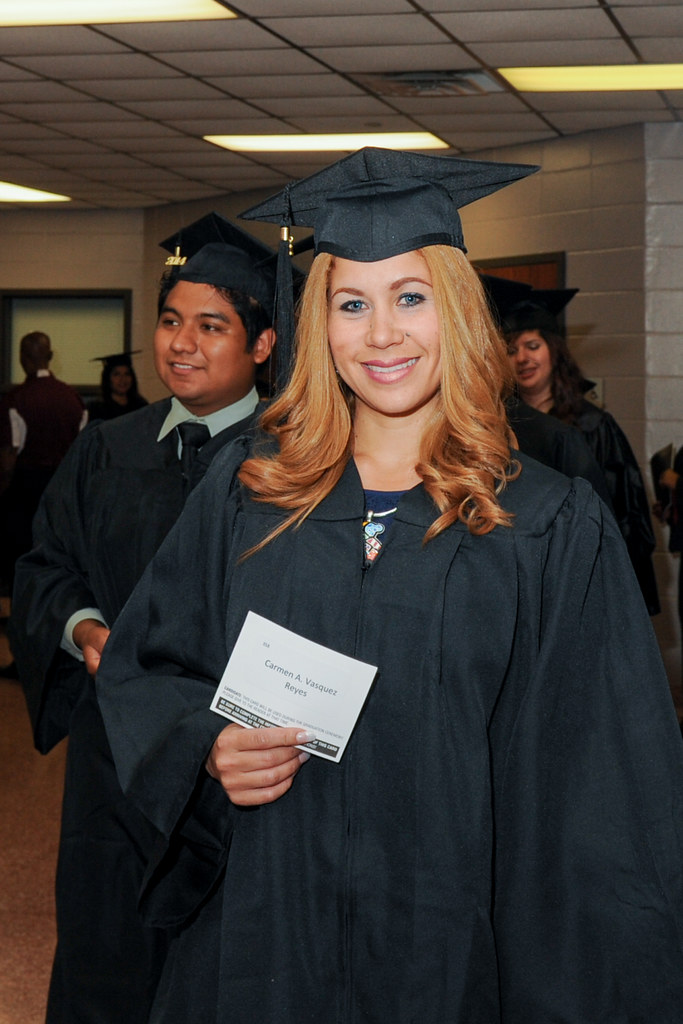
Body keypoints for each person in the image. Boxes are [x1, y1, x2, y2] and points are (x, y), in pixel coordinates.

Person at [96, 148, 683, 1023]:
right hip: (265, 928)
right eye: (351, 303)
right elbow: (148, 664)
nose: (380, 334)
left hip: (455, 945)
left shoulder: (548, 523)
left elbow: (601, 789)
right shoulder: (248, 489)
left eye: (409, 297)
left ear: (454, 312)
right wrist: (206, 748)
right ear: (316, 324)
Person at [7, 215, 276, 1024]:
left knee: (231, 957)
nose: (181, 343)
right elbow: (46, 565)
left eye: (211, 324)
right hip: (115, 758)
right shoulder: (107, 448)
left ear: (262, 345)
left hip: (242, 761)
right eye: (169, 321)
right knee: (109, 947)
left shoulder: (297, 457)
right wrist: (86, 631)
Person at [505, 290, 660, 614]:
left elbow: (624, 515)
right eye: (511, 350)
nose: (522, 358)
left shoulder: (592, 426)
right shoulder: (500, 425)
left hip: (579, 579)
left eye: (533, 346)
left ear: (554, 351)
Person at [0, 331, 86, 591]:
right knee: (56, 561)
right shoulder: (73, 399)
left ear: (23, 358)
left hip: (25, 491)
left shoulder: (15, 399)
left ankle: (20, 620)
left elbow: (8, 460)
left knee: (21, 558)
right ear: (49, 357)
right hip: (62, 492)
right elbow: (81, 454)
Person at [87, 351, 148, 420]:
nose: (122, 379)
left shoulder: (141, 406)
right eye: (116, 374)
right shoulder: (96, 409)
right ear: (108, 378)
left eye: (127, 374)